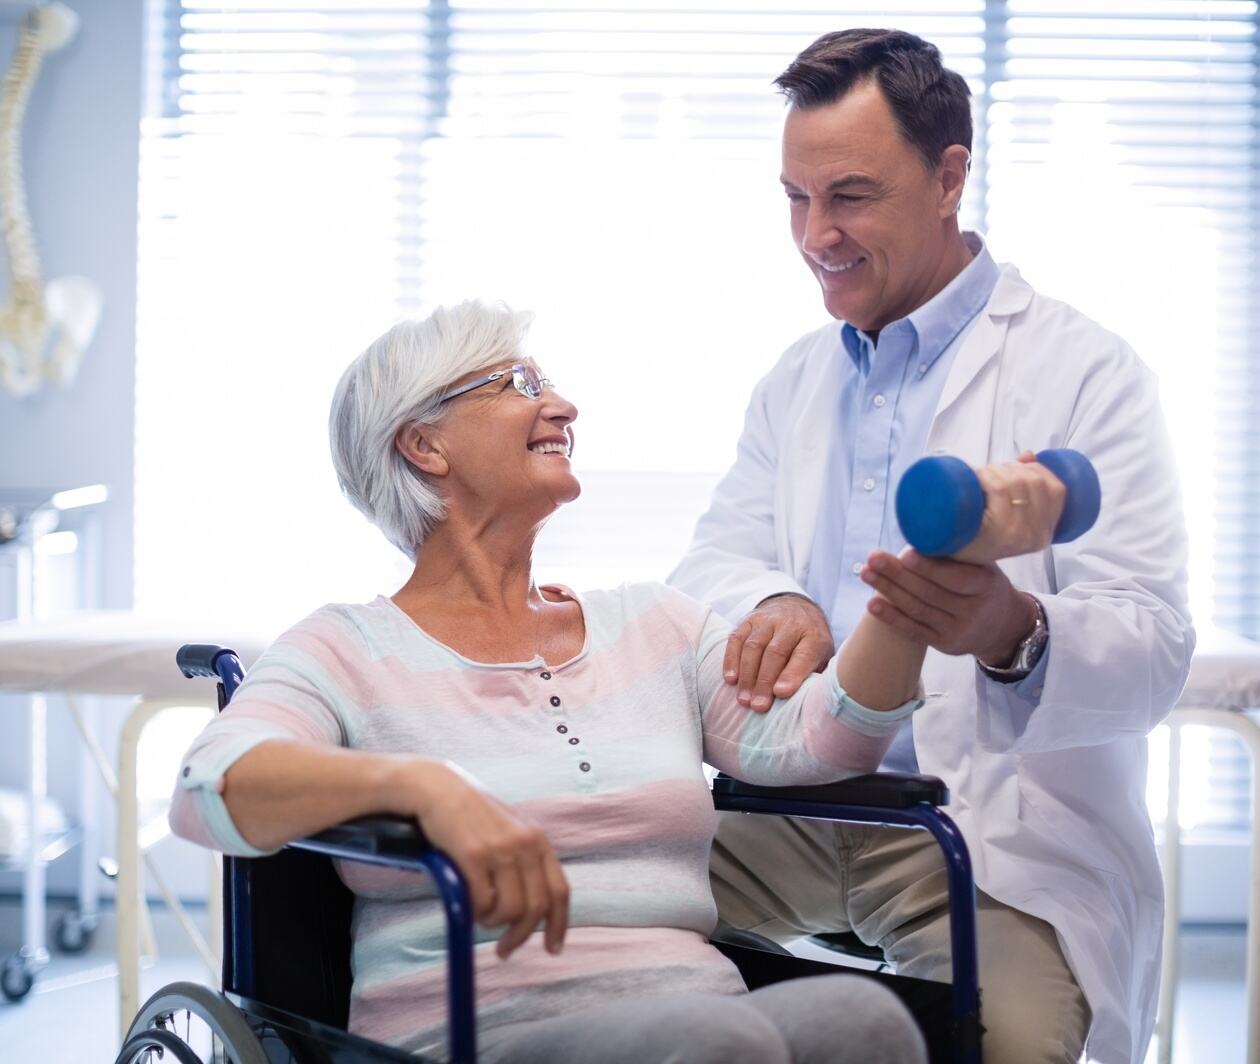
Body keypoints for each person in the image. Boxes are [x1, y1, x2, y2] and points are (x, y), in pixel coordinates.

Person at [171, 301, 1083, 1062]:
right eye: (521, 385)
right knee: (721, 1047)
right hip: (484, 1032)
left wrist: (916, 588)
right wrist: (417, 785)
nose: (563, 404)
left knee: (865, 1024)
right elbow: (206, 788)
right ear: (424, 445)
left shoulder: (653, 624)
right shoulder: (347, 648)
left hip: (700, 1013)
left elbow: (820, 741)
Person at [668, 28, 1194, 1064]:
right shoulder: (796, 379)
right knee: (588, 960)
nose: (815, 234)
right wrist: (778, 599)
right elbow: (709, 564)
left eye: (850, 195)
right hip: (794, 809)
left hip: (986, 842)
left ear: (949, 176)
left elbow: (1155, 648)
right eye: (794, 196)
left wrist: (1016, 629)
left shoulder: (1088, 372)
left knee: (1011, 1044)